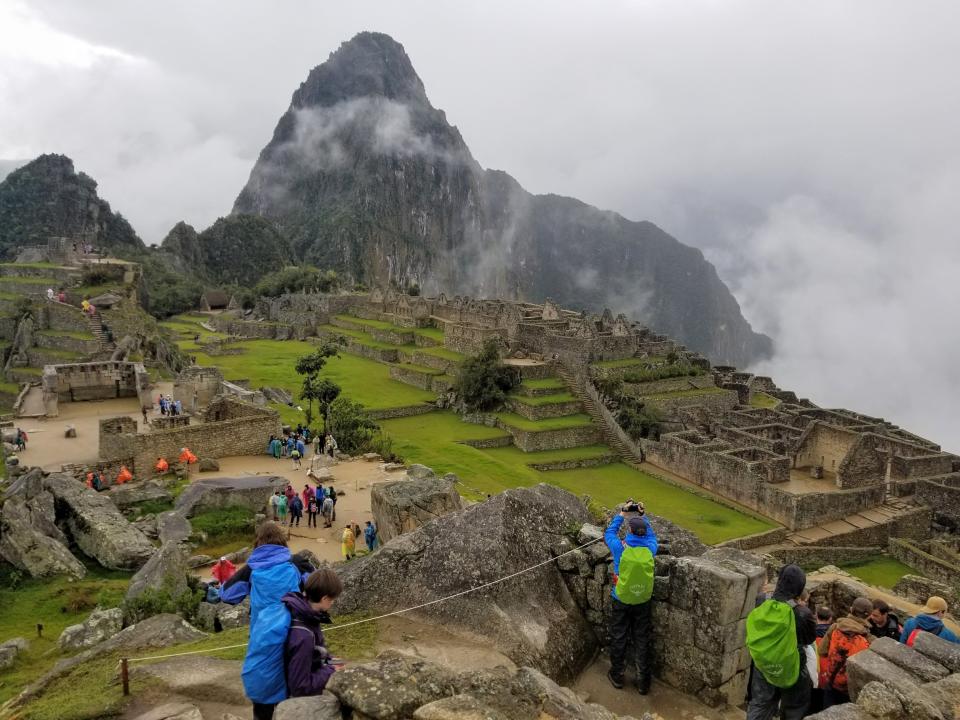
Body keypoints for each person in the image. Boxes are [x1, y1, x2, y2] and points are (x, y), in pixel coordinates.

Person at [221, 522, 315, 720]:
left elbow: (227, 595)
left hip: (263, 633)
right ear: (282, 541)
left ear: (258, 542)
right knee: (296, 679)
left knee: (264, 681)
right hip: (295, 631)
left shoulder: (251, 570)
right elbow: (317, 583)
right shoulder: (296, 563)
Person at [745, 564, 816, 720]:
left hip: (764, 662)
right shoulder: (803, 613)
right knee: (794, 708)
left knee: (760, 703)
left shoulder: (761, 600)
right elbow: (809, 639)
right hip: (792, 666)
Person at [603, 499, 658, 694]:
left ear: (631, 532)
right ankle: (643, 682)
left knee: (619, 636)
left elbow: (608, 534)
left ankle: (617, 675)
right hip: (642, 599)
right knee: (642, 639)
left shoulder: (620, 548)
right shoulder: (650, 549)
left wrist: (622, 514)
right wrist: (642, 515)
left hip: (622, 598)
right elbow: (652, 536)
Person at [282, 568, 344, 698]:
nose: (333, 603)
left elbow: (316, 652)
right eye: (333, 599)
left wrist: (331, 661)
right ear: (325, 598)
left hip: (312, 668)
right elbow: (300, 687)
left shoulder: (306, 613)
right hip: (299, 702)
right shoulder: (304, 637)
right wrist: (331, 670)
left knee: (339, 662)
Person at [819, 597, 873, 707]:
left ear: (851, 609)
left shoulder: (835, 627)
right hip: (849, 689)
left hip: (831, 681)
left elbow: (822, 651)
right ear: (869, 616)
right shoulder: (870, 640)